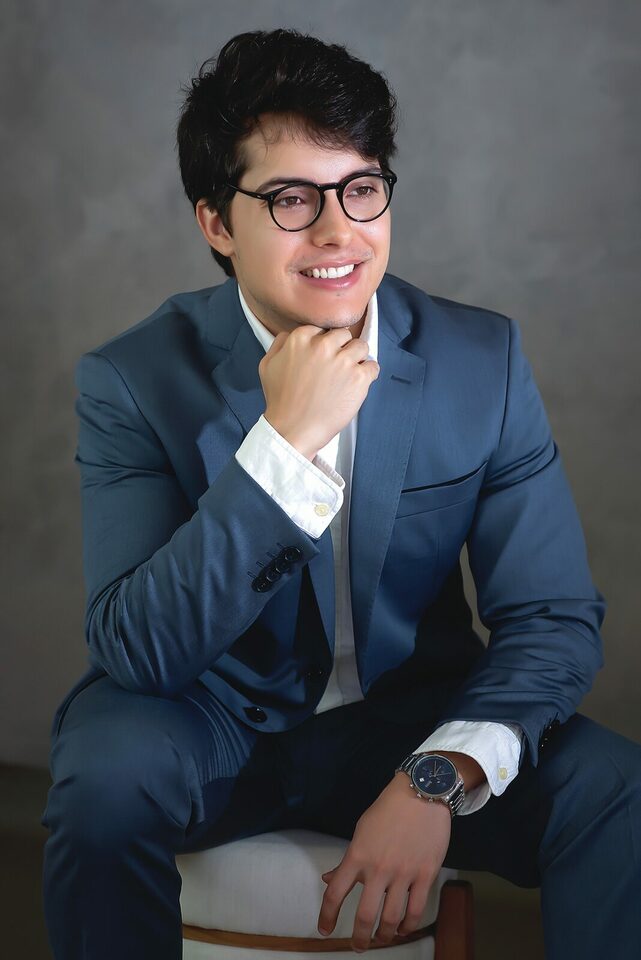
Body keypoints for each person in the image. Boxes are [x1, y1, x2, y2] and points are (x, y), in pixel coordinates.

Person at [41, 27, 641, 959]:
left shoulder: (480, 360)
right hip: (209, 721)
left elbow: (551, 617)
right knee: (103, 780)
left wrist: (434, 777)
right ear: (215, 223)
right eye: (291, 198)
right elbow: (140, 649)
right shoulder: (132, 380)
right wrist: (283, 445)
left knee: (614, 791)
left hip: (408, 721)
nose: (337, 232)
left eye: (360, 188)